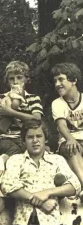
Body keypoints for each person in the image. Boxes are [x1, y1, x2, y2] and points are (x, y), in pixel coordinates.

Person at [0, 61, 43, 162]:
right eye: (11, 79)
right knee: (15, 154)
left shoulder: (33, 98)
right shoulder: (1, 98)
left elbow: (37, 120)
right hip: (7, 138)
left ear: (26, 79)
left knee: (41, 153)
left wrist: (10, 112)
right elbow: (2, 127)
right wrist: (12, 102)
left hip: (28, 138)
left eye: (19, 77)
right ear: (7, 82)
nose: (15, 82)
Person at [51, 63, 83, 194]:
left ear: (74, 80)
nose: (57, 84)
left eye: (61, 79)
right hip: (68, 142)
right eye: (55, 81)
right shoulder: (57, 103)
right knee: (72, 148)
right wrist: (70, 139)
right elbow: (61, 125)